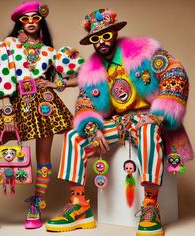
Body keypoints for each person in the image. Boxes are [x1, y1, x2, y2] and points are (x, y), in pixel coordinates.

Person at [46, 8, 193, 236]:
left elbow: (175, 71)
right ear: (91, 42)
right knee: (75, 137)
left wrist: (161, 111)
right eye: (96, 38)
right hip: (118, 121)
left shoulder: (143, 52)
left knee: (147, 130)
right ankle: (79, 205)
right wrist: (93, 128)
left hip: (148, 117)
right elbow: (84, 103)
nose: (102, 41)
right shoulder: (91, 72)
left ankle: (150, 206)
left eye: (106, 35)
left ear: (114, 32)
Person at [0, 1, 84, 234]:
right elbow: (0, 78)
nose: (30, 23)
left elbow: (85, 76)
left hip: (45, 106)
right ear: (19, 23)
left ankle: (36, 205)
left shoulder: (49, 52)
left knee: (44, 157)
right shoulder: (8, 47)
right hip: (15, 105)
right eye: (25, 19)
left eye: (34, 18)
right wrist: (8, 111)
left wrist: (56, 84)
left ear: (40, 21)